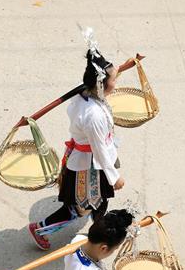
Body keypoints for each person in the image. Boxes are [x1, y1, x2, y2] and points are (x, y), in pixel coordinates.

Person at [29, 31, 125, 250]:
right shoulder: (93, 116)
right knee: (80, 208)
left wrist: (115, 68)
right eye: (113, 80)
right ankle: (41, 228)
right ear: (101, 84)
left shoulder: (84, 91)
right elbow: (99, 150)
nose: (116, 84)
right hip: (89, 167)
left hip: (87, 159)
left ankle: (100, 234)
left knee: (98, 204)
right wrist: (114, 177)